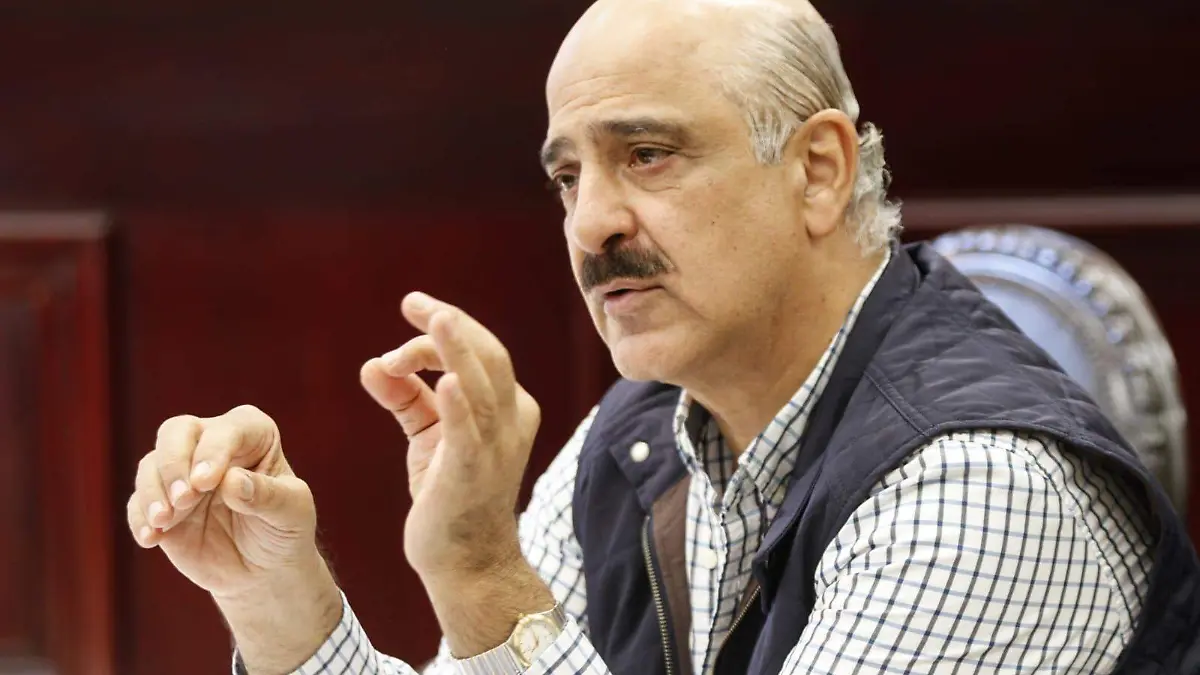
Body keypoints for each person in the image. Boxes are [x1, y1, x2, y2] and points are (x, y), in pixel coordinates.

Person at [126, 0, 1200, 673]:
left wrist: (484, 573)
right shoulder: (643, 430)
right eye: (567, 175)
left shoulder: (982, 489)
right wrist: (275, 597)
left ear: (817, 170)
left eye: (647, 154)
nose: (590, 222)